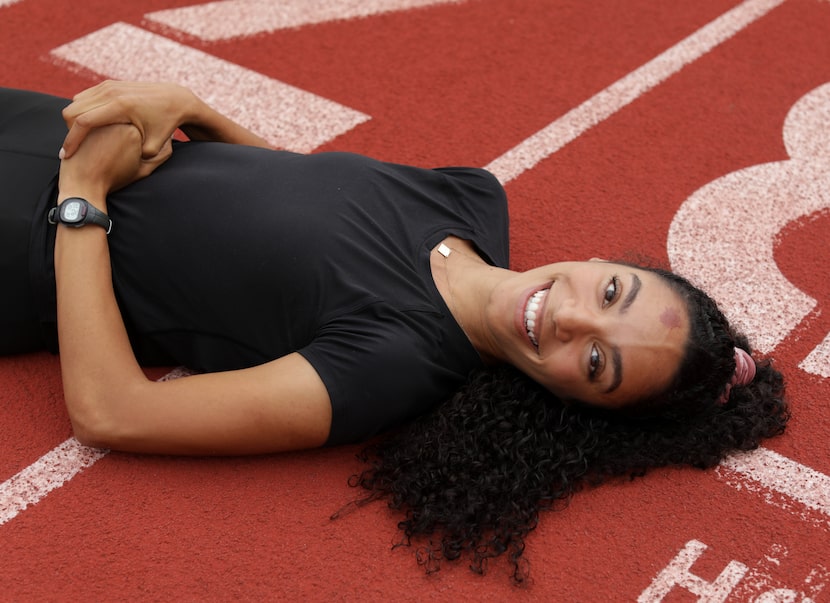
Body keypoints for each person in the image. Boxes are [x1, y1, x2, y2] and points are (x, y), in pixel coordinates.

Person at [1, 81, 788, 581]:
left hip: (24, 238)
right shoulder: (473, 200)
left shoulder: (392, 366)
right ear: (602, 260)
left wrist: (83, 192)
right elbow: (297, 198)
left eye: (596, 360)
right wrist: (195, 111)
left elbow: (112, 412)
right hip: (52, 123)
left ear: (571, 398)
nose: (571, 313)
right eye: (612, 291)